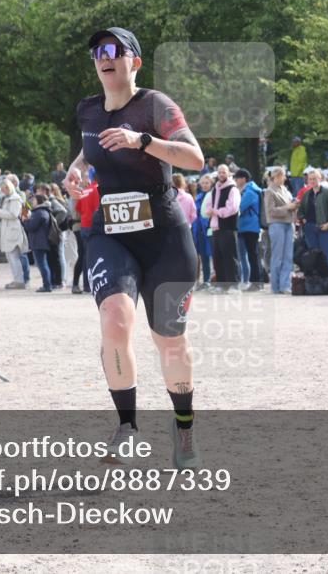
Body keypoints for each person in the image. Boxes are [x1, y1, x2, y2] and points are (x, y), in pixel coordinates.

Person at [61, 26, 205, 470]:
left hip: (164, 236)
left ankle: (183, 429)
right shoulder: (87, 111)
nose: (104, 57)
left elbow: (195, 160)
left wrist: (142, 141)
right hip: (110, 233)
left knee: (170, 341)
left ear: (134, 62)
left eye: (114, 50)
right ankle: (127, 426)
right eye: (97, 52)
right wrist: (75, 168)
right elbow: (90, 151)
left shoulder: (155, 106)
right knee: (115, 319)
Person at [207, 164, 241, 292]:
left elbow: (232, 208)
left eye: (224, 172)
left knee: (230, 256)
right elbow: (209, 206)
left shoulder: (233, 189)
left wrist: (216, 211)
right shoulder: (215, 189)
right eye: (219, 172)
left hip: (228, 227)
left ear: (229, 173)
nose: (221, 174)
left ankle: (234, 284)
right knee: (218, 257)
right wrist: (209, 211)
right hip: (216, 228)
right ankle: (222, 284)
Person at [263, 167, 296, 294]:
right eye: (283, 176)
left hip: (289, 224)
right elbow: (271, 211)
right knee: (277, 256)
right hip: (277, 224)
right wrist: (288, 207)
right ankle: (275, 286)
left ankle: (285, 285)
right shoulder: (269, 191)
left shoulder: (286, 190)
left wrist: (294, 206)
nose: (285, 178)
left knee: (288, 256)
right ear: (276, 176)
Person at [297, 169, 328, 274]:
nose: (312, 181)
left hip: (325, 228)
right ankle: (317, 281)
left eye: (314, 178)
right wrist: (303, 218)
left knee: (327, 256)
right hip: (310, 229)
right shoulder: (306, 194)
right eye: (310, 179)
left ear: (320, 179)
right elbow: (300, 211)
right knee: (313, 257)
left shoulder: (327, 192)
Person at [0, 179, 30, 289]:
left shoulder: (14, 199)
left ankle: (19, 280)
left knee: (14, 257)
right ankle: (18, 280)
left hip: (13, 230)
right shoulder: (9, 198)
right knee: (11, 257)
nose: (2, 191)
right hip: (9, 229)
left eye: (3, 188)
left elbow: (14, 214)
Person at [234, 168, 263, 289]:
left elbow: (240, 206)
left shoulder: (250, 191)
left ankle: (256, 282)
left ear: (243, 179)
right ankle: (254, 281)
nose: (235, 180)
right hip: (245, 227)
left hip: (250, 227)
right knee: (251, 255)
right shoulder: (248, 190)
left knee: (253, 255)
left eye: (237, 178)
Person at [73, 173, 99, 294]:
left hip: (84, 225)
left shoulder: (85, 191)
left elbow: (78, 208)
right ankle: (92, 284)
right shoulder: (98, 189)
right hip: (95, 226)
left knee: (85, 256)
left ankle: (86, 285)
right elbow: (99, 209)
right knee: (96, 256)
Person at [23, 193, 54, 292]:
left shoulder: (39, 212)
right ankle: (47, 285)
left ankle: (47, 286)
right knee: (43, 264)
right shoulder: (42, 211)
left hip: (39, 242)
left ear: (39, 201)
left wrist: (25, 220)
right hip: (40, 242)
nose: (32, 202)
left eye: (34, 200)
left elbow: (31, 227)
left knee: (42, 265)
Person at [192, 174, 214, 289]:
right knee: (203, 257)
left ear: (211, 184)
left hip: (209, 230)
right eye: (203, 183)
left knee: (212, 255)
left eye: (207, 183)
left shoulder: (213, 196)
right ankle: (205, 280)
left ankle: (211, 280)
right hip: (199, 231)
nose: (205, 185)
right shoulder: (199, 196)